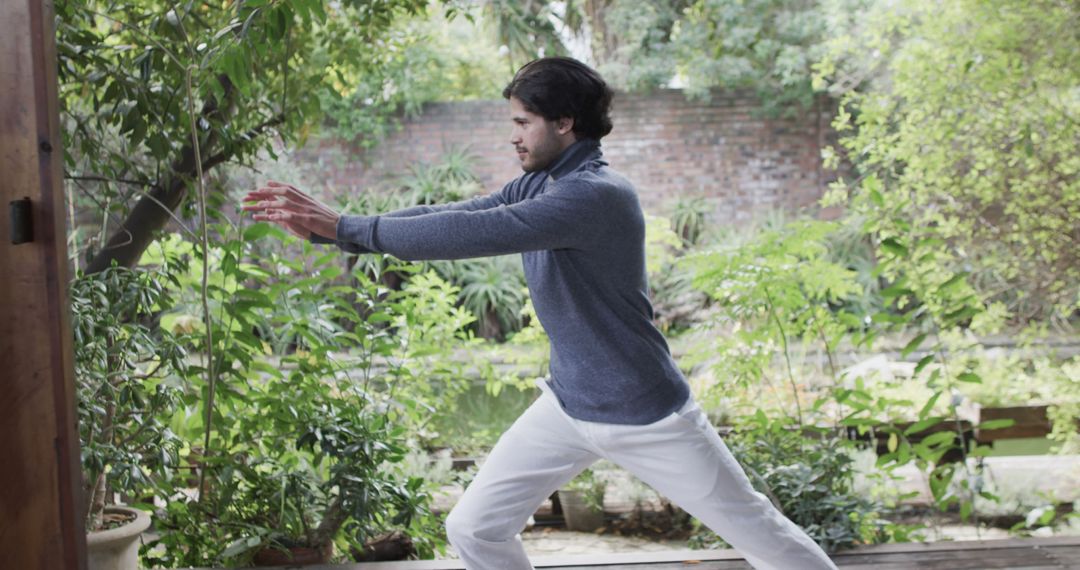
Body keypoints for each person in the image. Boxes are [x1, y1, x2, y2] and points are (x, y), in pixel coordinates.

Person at [242, 56, 838, 570]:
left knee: (762, 535)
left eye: (523, 122)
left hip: (645, 412)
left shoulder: (595, 195)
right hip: (570, 404)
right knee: (473, 528)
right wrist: (334, 231)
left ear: (564, 122)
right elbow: (453, 212)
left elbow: (474, 233)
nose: (514, 135)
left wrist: (347, 227)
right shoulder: (543, 183)